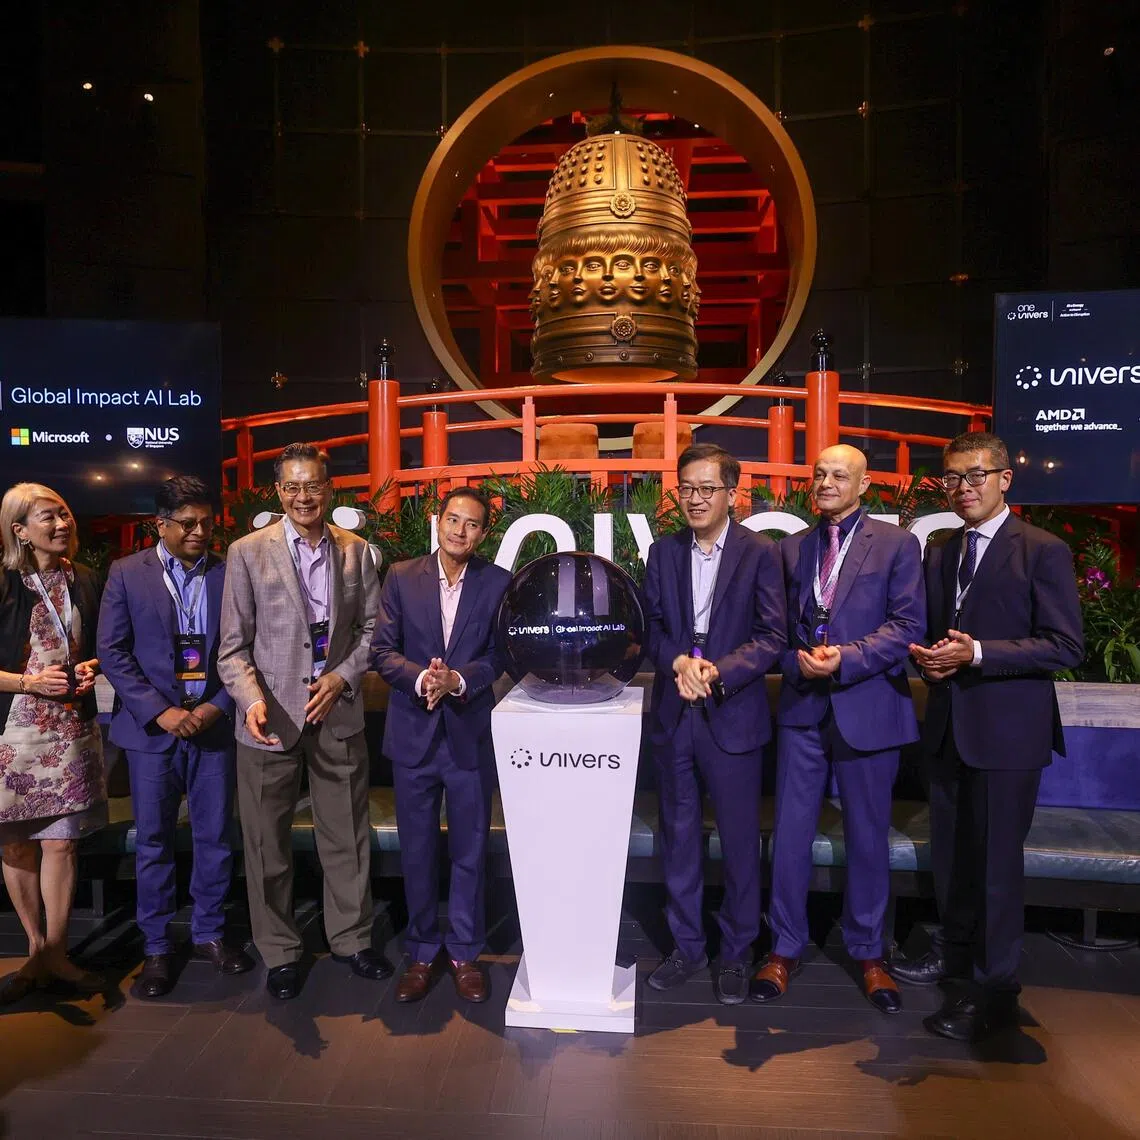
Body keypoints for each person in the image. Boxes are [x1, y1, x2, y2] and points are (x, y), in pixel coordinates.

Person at [894, 431, 1083, 1042]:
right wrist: (927, 658)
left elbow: (1064, 646)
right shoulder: (942, 550)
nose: (964, 487)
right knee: (953, 861)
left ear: (1006, 479)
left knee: (997, 867)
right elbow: (933, 632)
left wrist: (977, 652)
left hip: (1009, 735)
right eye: (952, 477)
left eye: (976, 475)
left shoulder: (1042, 550)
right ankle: (953, 955)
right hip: (949, 727)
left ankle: (993, 991)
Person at [754, 445, 924, 1013]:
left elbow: (907, 627)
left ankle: (870, 954)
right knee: (791, 836)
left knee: (869, 838)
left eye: (839, 475)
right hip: (803, 708)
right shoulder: (790, 549)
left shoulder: (898, 544)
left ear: (864, 484)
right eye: (819, 474)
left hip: (869, 707)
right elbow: (773, 632)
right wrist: (792, 660)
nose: (826, 482)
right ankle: (783, 948)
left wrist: (846, 657)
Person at [218, 442, 388, 1000]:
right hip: (268, 720)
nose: (302, 497)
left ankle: (353, 940)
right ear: (278, 492)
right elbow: (231, 648)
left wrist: (341, 676)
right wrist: (250, 700)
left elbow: (371, 633)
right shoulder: (247, 552)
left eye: (312, 485)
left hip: (335, 710)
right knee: (266, 843)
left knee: (348, 837)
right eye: (291, 487)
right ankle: (281, 951)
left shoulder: (357, 551)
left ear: (329, 487)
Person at [98, 476, 253, 999]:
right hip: (151, 733)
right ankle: (157, 947)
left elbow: (246, 650)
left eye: (207, 522)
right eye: (187, 523)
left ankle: (210, 933)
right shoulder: (126, 573)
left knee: (214, 838)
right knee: (155, 842)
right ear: (159, 524)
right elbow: (113, 652)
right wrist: (159, 711)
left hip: (212, 726)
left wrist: (217, 704)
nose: (200, 531)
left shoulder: (229, 571)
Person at [642, 443, 786, 1004]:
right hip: (677, 713)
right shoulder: (664, 552)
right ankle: (687, 946)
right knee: (679, 838)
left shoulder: (760, 553)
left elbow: (773, 637)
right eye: (687, 489)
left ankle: (736, 953)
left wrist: (717, 672)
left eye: (707, 489)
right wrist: (679, 662)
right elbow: (650, 629)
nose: (695, 499)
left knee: (740, 840)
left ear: (732, 492)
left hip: (733, 715)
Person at [370, 487, 511, 1003]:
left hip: (468, 736)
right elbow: (381, 651)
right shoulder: (403, 577)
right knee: (420, 850)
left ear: (483, 533)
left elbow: (503, 655)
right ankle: (423, 950)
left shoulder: (497, 584)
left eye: (472, 524)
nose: (460, 531)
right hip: (414, 735)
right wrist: (420, 679)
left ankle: (465, 953)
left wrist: (459, 680)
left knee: (470, 850)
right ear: (438, 520)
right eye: (453, 520)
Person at [0, 483, 105, 1003]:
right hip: (12, 734)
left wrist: (90, 668)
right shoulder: (1, 581)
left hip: (70, 729)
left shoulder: (83, 578)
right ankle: (36, 947)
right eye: (48, 518)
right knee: (16, 842)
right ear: (19, 530)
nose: (62, 524)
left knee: (61, 842)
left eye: (64, 514)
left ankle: (57, 952)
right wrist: (27, 682)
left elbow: (100, 646)